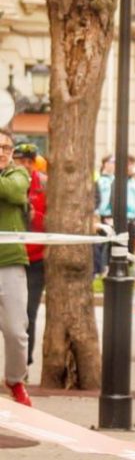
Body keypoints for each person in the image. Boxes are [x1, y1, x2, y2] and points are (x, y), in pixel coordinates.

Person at [0, 130, 31, 405]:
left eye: (6, 147)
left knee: (15, 331)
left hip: (9, 263)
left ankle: (15, 380)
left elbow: (12, 192)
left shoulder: (19, 174)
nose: (2, 152)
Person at [13, 144, 45, 363]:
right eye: (21, 161)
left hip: (36, 259)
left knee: (28, 314)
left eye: (29, 162)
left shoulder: (44, 185)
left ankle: (25, 363)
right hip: (10, 258)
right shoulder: (8, 182)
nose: (25, 166)